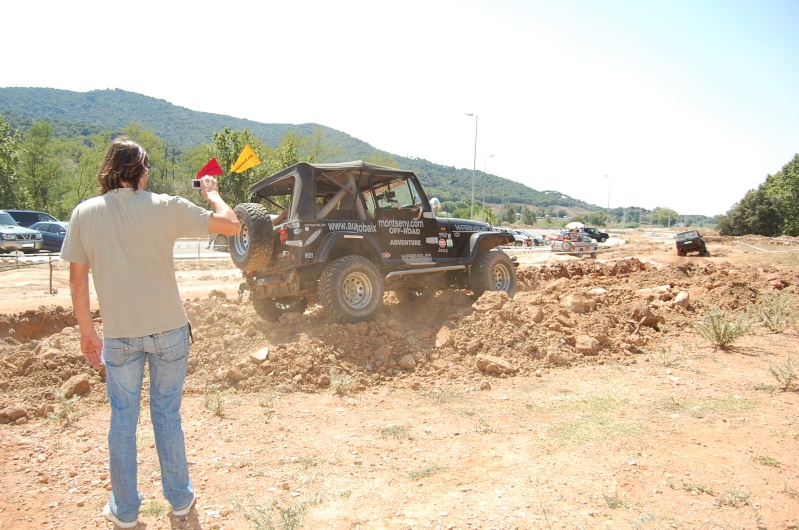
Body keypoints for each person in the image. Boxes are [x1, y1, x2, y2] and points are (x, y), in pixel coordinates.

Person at [60, 137, 240, 528]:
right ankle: (179, 501)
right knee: (166, 415)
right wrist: (213, 193)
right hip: (170, 332)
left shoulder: (84, 213)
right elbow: (231, 224)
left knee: (122, 420)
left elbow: (76, 283)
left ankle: (125, 512)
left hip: (119, 336)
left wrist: (88, 334)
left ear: (110, 169)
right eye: (148, 167)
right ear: (139, 171)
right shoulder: (166, 206)